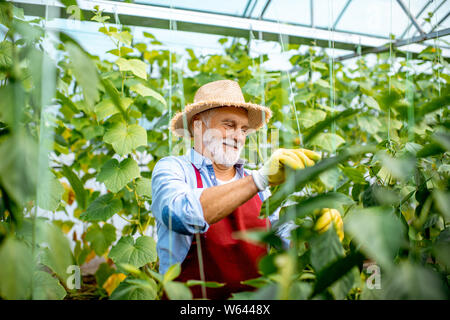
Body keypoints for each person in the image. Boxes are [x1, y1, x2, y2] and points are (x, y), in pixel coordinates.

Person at [151, 79, 343, 299]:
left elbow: (289, 242)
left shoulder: (259, 184)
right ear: (198, 126)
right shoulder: (174, 169)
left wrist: (317, 232)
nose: (238, 136)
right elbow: (181, 215)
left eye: (243, 129)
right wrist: (259, 180)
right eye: (229, 125)